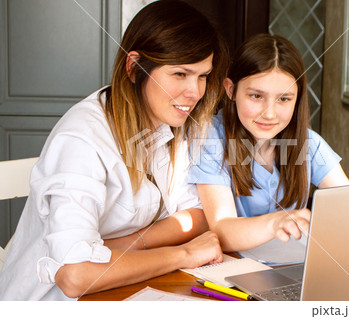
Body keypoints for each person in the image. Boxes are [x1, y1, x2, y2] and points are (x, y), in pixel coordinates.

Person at [0, 0, 228, 300]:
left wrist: (121, 247)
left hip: (127, 288)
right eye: (180, 74)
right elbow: (76, 275)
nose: (196, 92)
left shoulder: (172, 123)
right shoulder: (82, 138)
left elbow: (197, 215)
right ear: (134, 67)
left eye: (203, 76)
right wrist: (182, 254)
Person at [188, 34, 349, 253]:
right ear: (231, 90)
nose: (269, 113)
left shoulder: (309, 143)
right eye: (256, 96)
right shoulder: (210, 138)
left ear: (297, 99)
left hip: (294, 269)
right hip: (234, 270)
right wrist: (275, 223)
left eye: (284, 99)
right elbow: (221, 230)